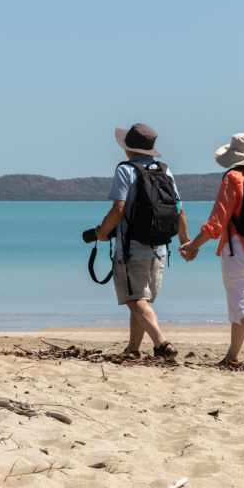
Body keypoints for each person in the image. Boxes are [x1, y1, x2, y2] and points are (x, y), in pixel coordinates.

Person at [178, 133, 244, 370]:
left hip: (238, 250)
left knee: (243, 308)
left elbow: (216, 223)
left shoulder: (233, 178)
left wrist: (192, 246)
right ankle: (231, 357)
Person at [96, 123, 189, 359]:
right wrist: (185, 242)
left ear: (128, 148)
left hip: (131, 248)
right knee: (139, 299)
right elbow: (179, 209)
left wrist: (102, 233)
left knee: (135, 299)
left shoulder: (126, 170)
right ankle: (133, 349)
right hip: (159, 248)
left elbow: (118, 210)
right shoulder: (164, 170)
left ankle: (162, 343)